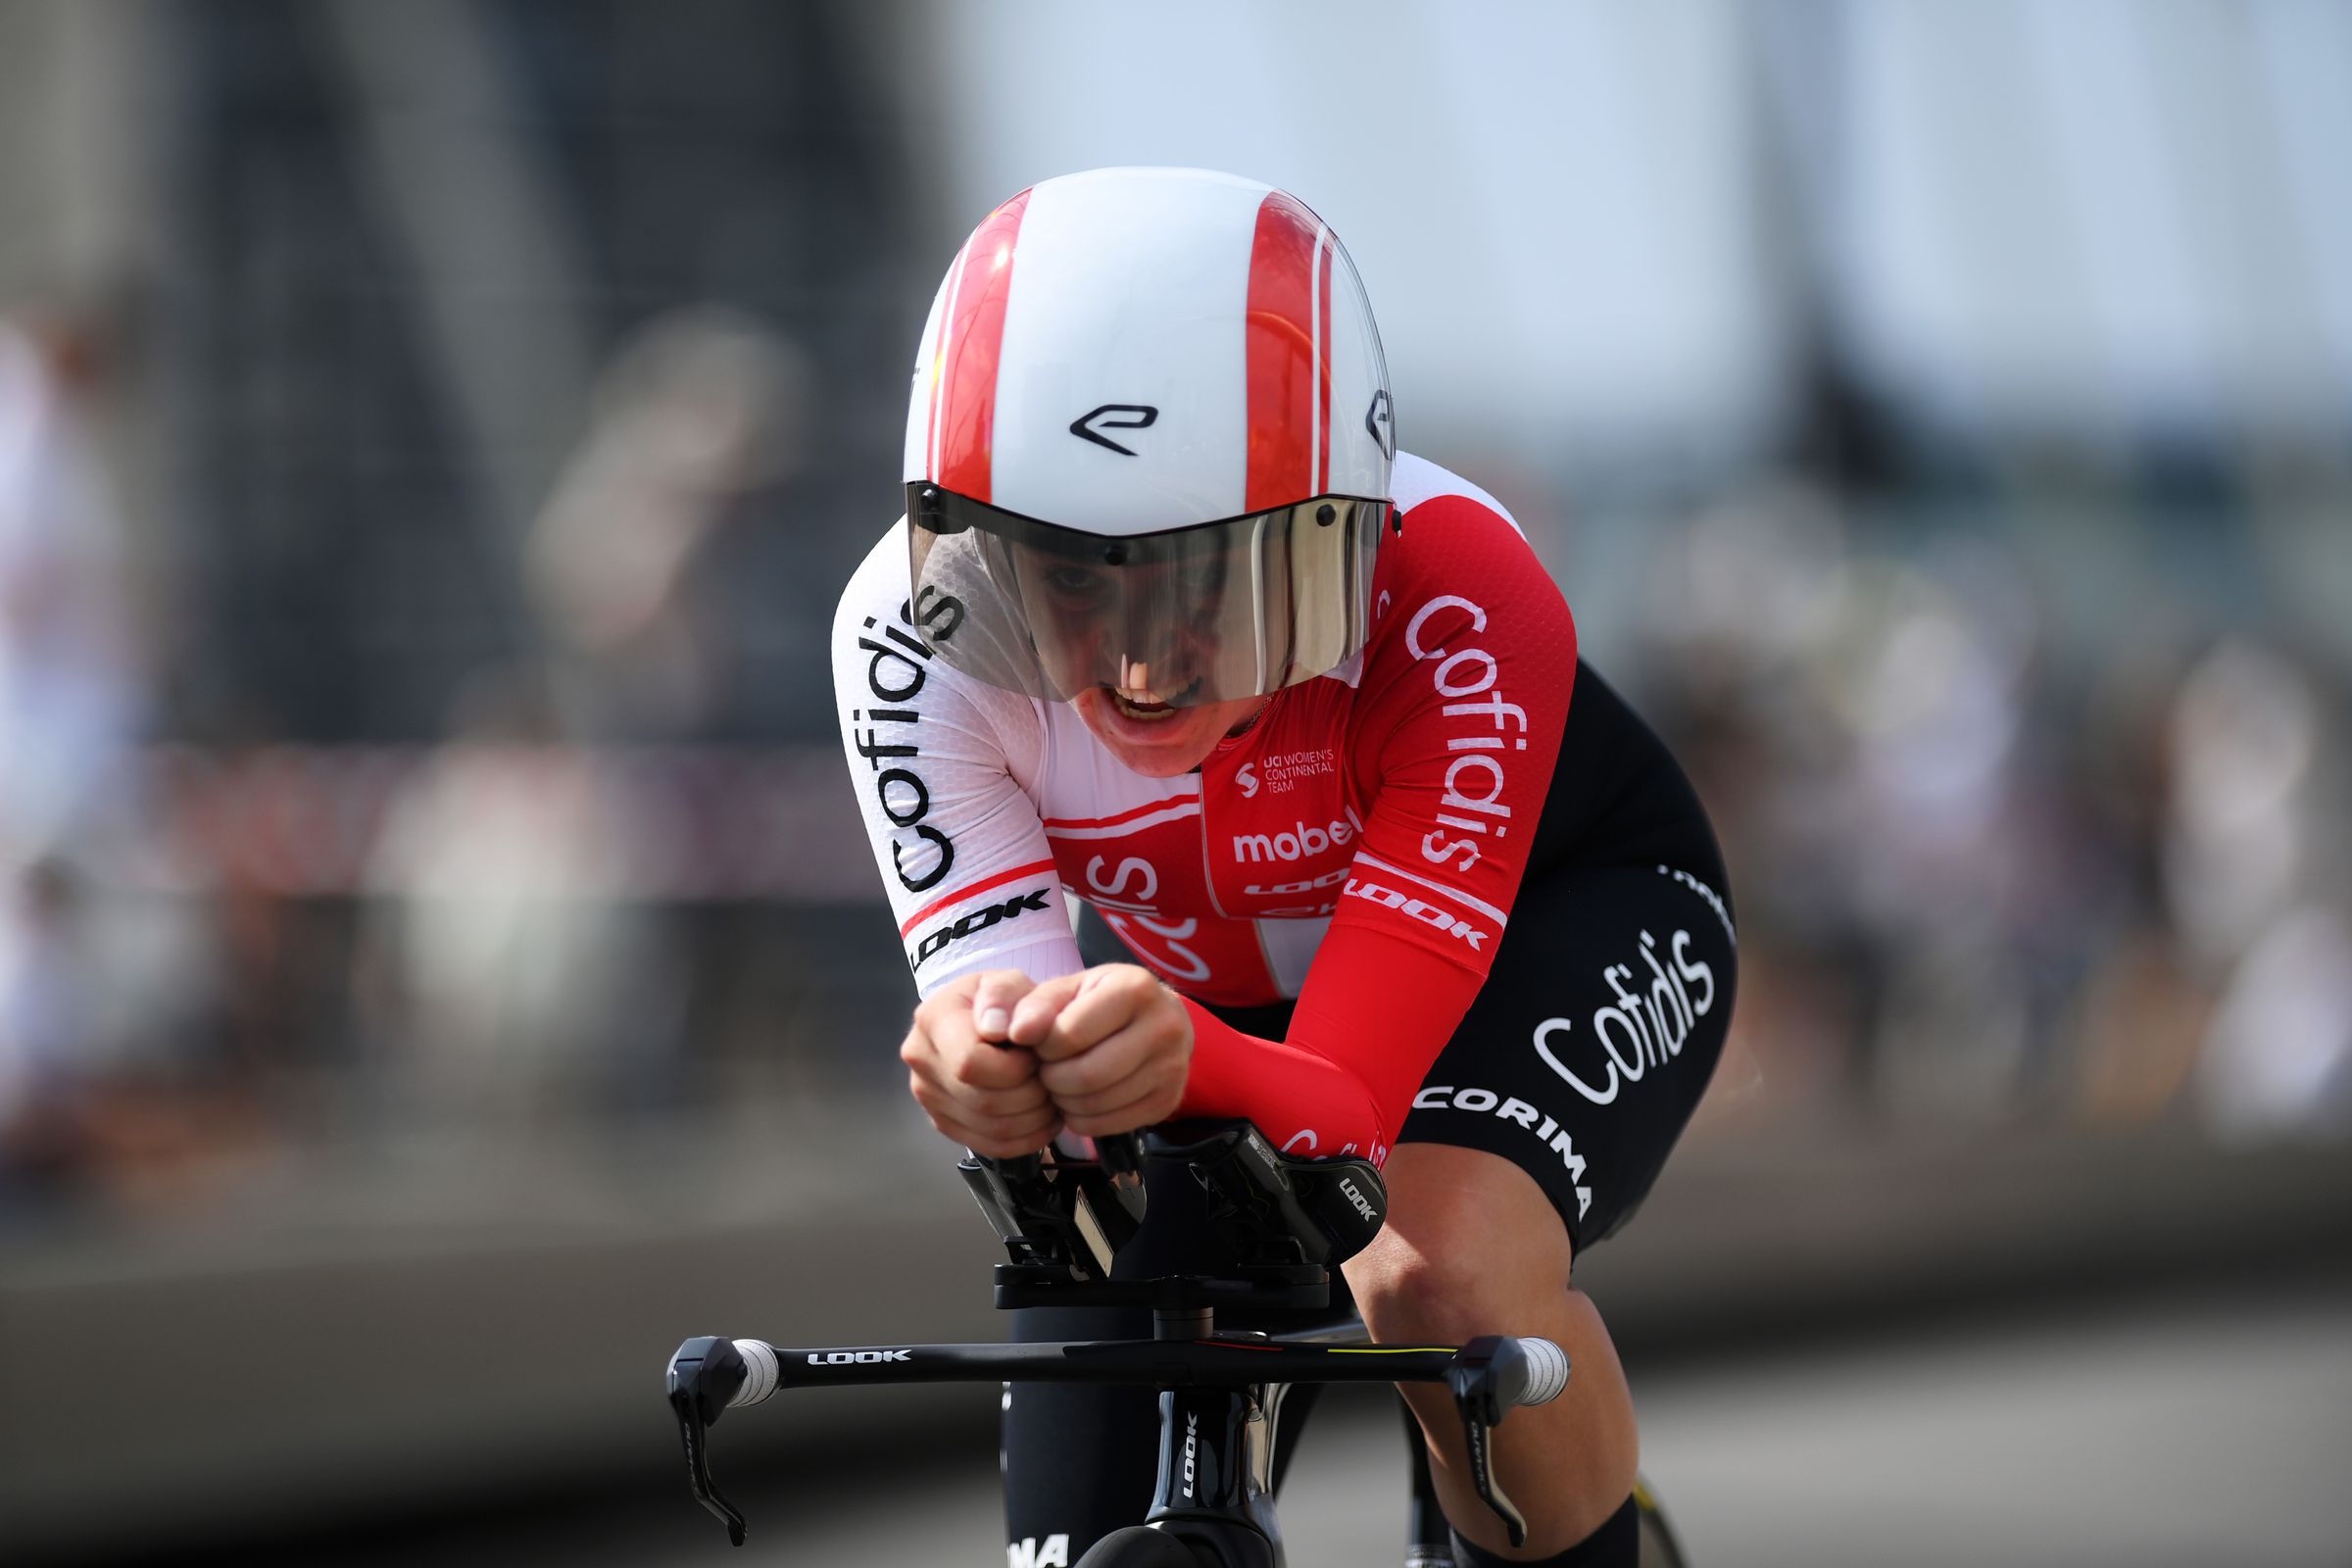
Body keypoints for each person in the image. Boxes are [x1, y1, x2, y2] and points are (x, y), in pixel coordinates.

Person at [832, 168, 1733, 1568]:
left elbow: (1347, 1107)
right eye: (1069, 578)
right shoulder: (909, 635)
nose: (1136, 667)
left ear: (1331, 543)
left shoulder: (1459, 592)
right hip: (1199, 1006)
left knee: (1437, 1272)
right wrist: (981, 1064)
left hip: (1557, 924)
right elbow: (1025, 1063)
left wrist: (1161, 1055)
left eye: (1203, 584)